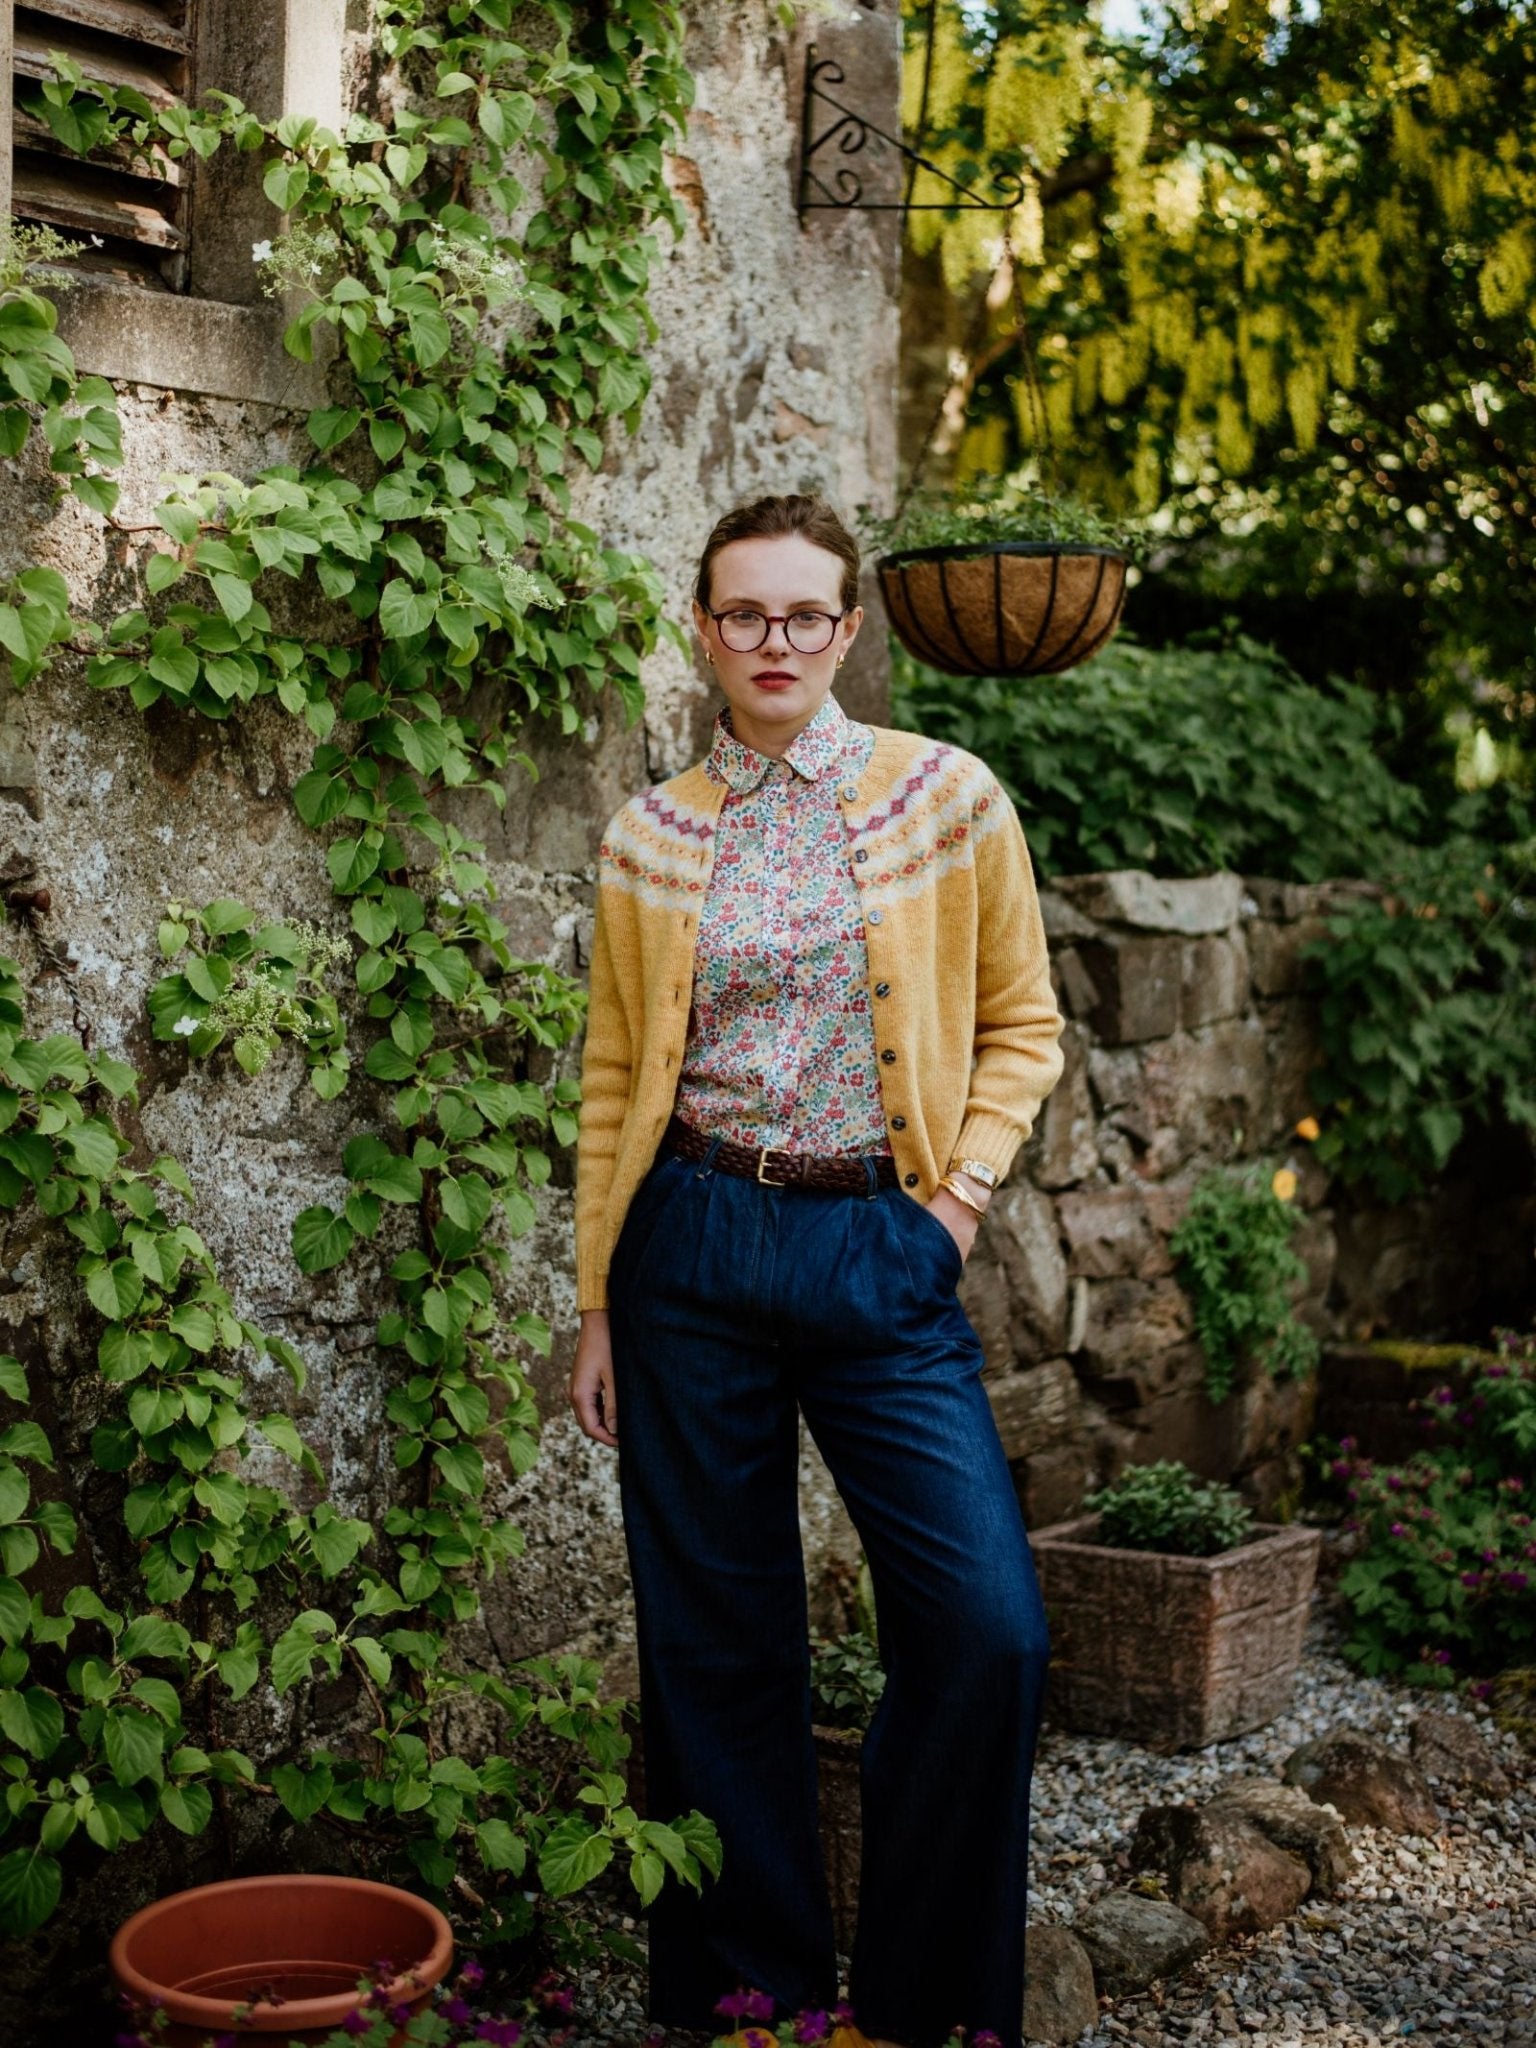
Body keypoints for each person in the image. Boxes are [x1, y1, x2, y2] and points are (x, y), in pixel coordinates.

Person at [567, 493, 1065, 2048]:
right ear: (702, 632)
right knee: (713, 1649)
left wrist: (957, 1207)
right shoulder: (649, 835)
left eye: (803, 615)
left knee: (987, 1630)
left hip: (880, 1242)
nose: (772, 642)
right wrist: (593, 1304)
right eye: (743, 615)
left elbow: (1020, 1025)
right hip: (693, 1246)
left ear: (847, 631)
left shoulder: (948, 799)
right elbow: (608, 1077)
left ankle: (918, 2013)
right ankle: (750, 2005)